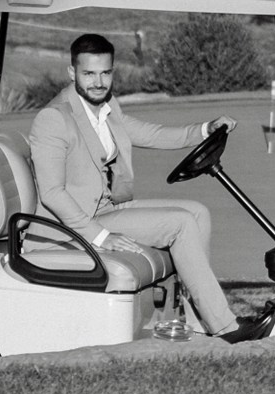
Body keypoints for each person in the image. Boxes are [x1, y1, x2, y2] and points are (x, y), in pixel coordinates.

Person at [26, 31, 258, 342]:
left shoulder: (107, 108)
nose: (98, 82)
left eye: (105, 73)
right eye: (89, 74)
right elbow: (52, 193)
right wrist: (102, 236)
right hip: (70, 228)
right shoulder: (54, 118)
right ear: (72, 73)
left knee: (198, 212)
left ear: (112, 72)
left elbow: (152, 134)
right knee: (180, 223)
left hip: (106, 208)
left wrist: (205, 129)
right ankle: (226, 330)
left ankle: (199, 321)